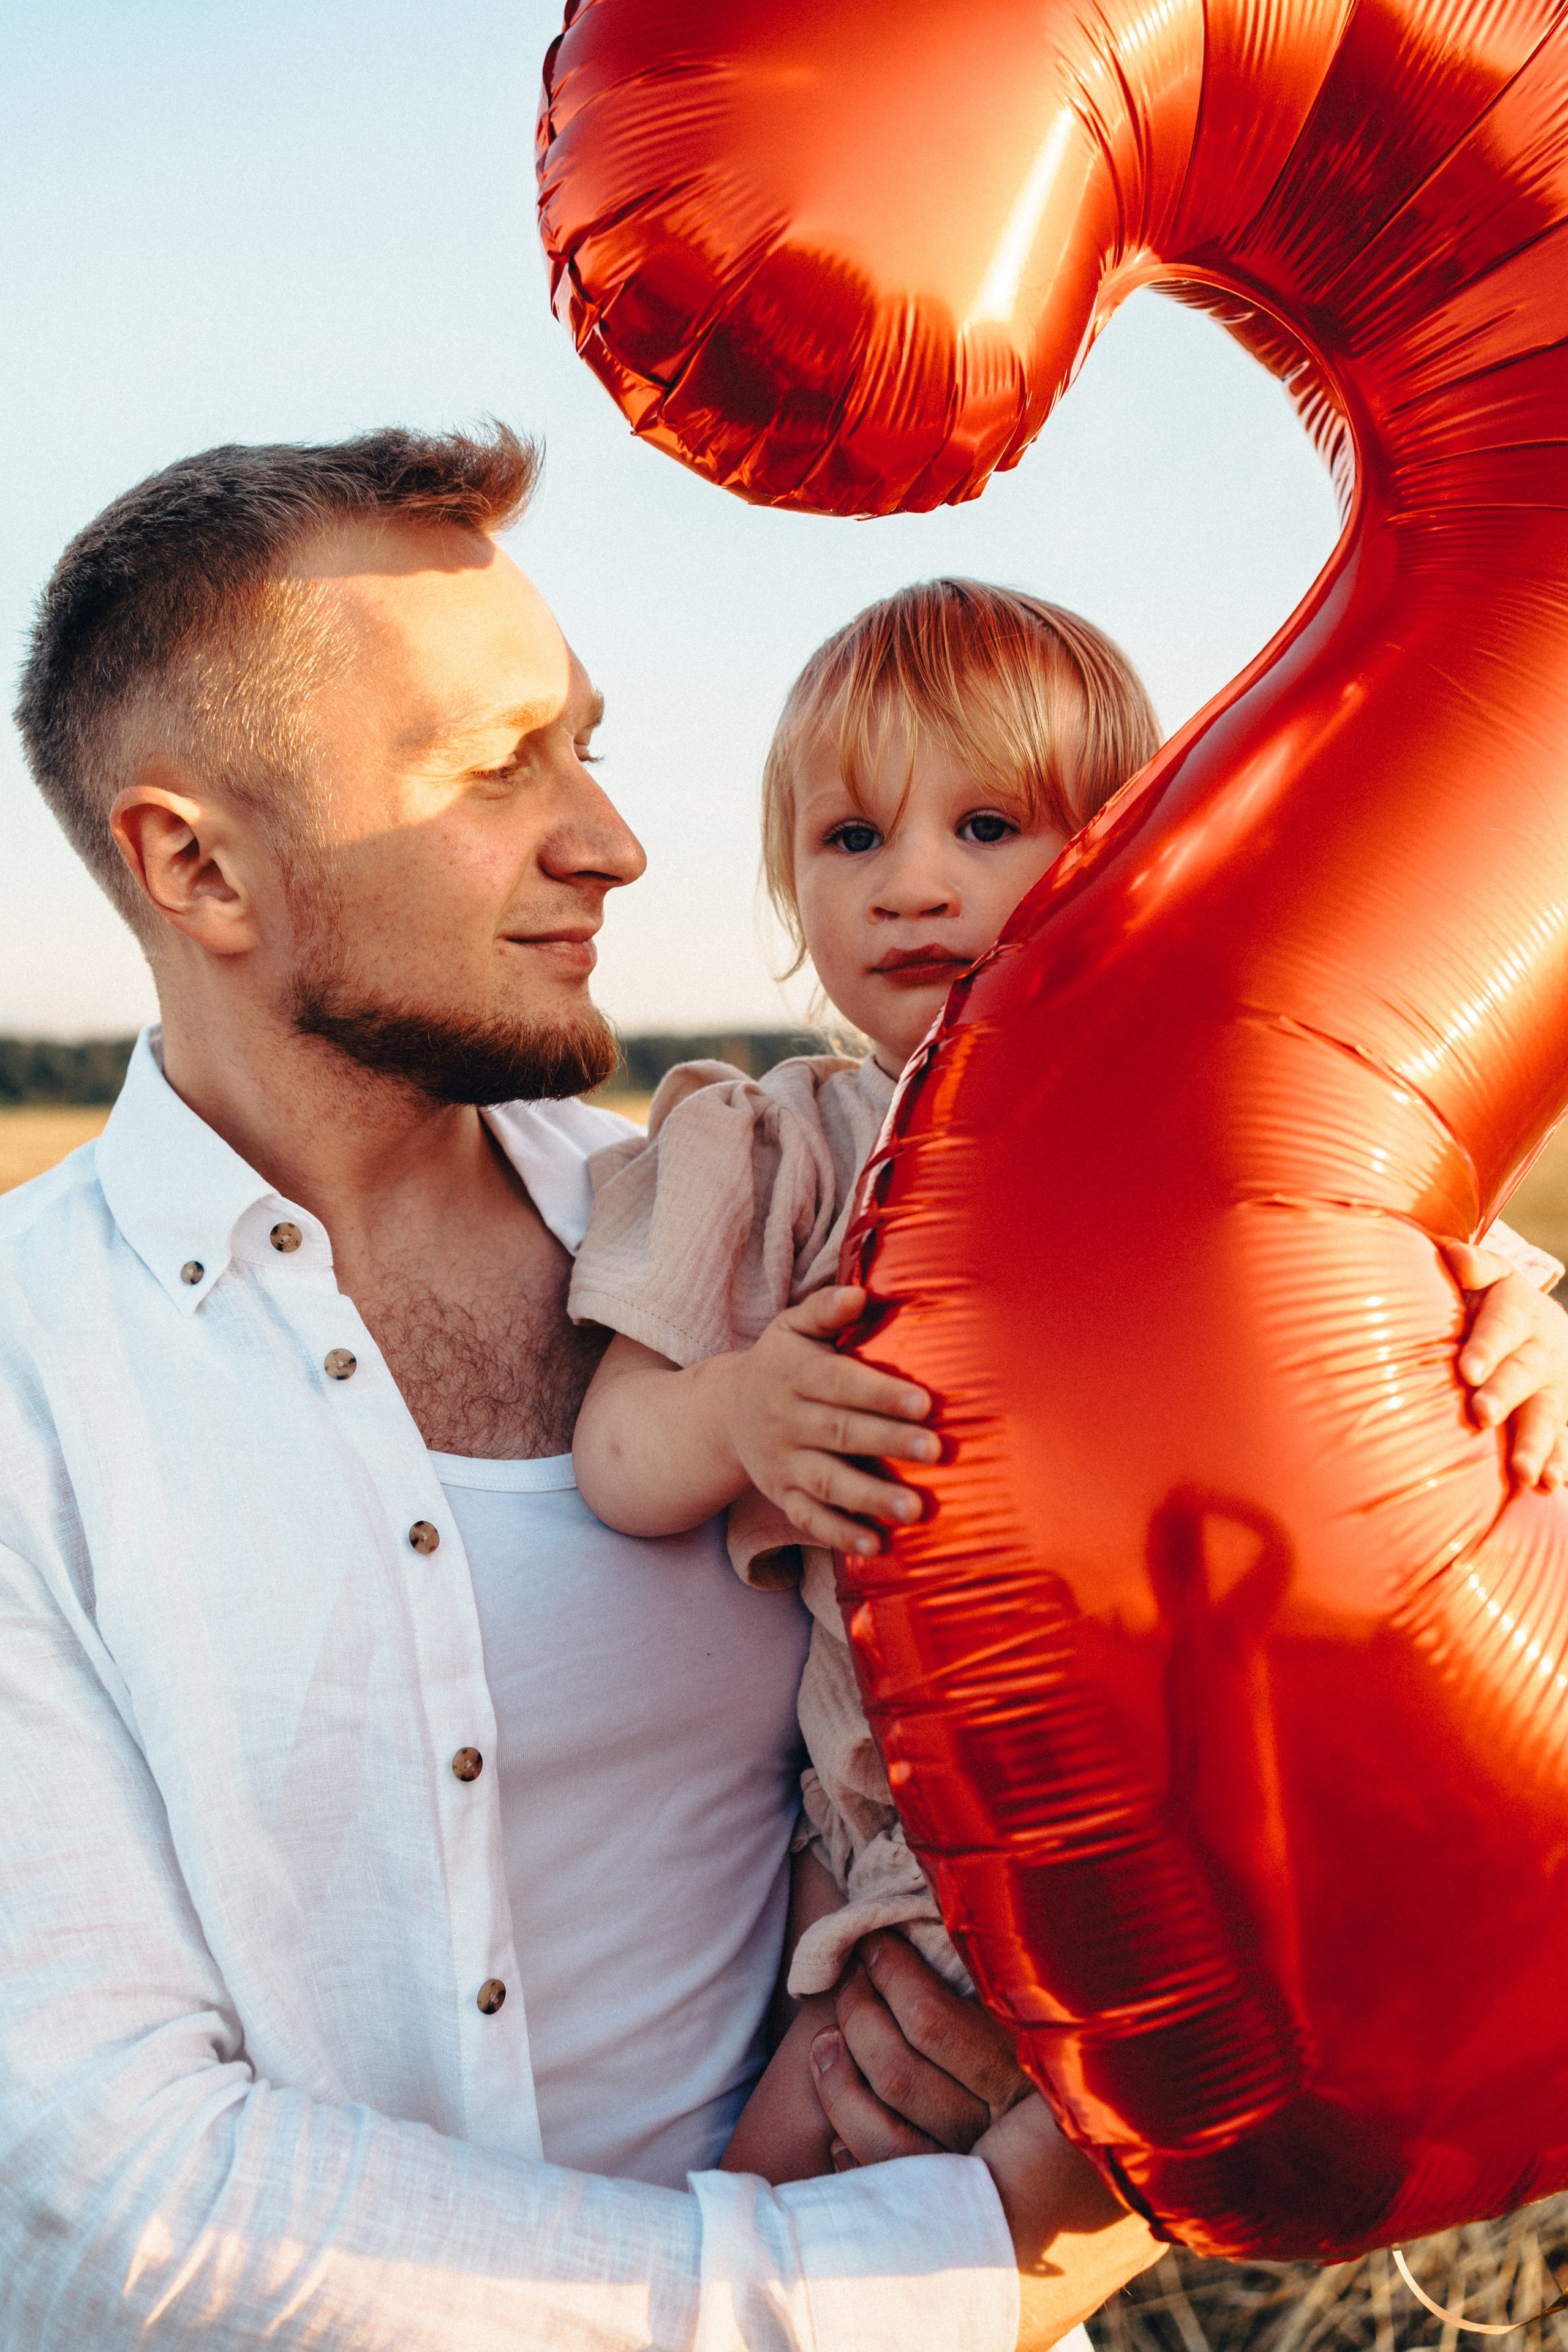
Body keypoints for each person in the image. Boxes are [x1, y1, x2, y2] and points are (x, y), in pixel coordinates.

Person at [0, 427, 1162, 2350]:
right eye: (493, 768)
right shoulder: (32, 1389)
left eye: (588, 745)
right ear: (195, 864)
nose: (613, 842)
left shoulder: (764, 1231)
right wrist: (958, 2271)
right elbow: (102, 2194)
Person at [568, 578, 1568, 2182]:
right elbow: (617, 1455)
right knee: (775, 2218)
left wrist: (1531, 1349)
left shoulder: (1226, 1127)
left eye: (987, 827)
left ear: (1123, 853)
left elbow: (1434, 1292)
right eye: (850, 841)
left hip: (1236, 1827)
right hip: (926, 1859)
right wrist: (739, 1410)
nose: (913, 886)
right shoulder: (785, 1152)